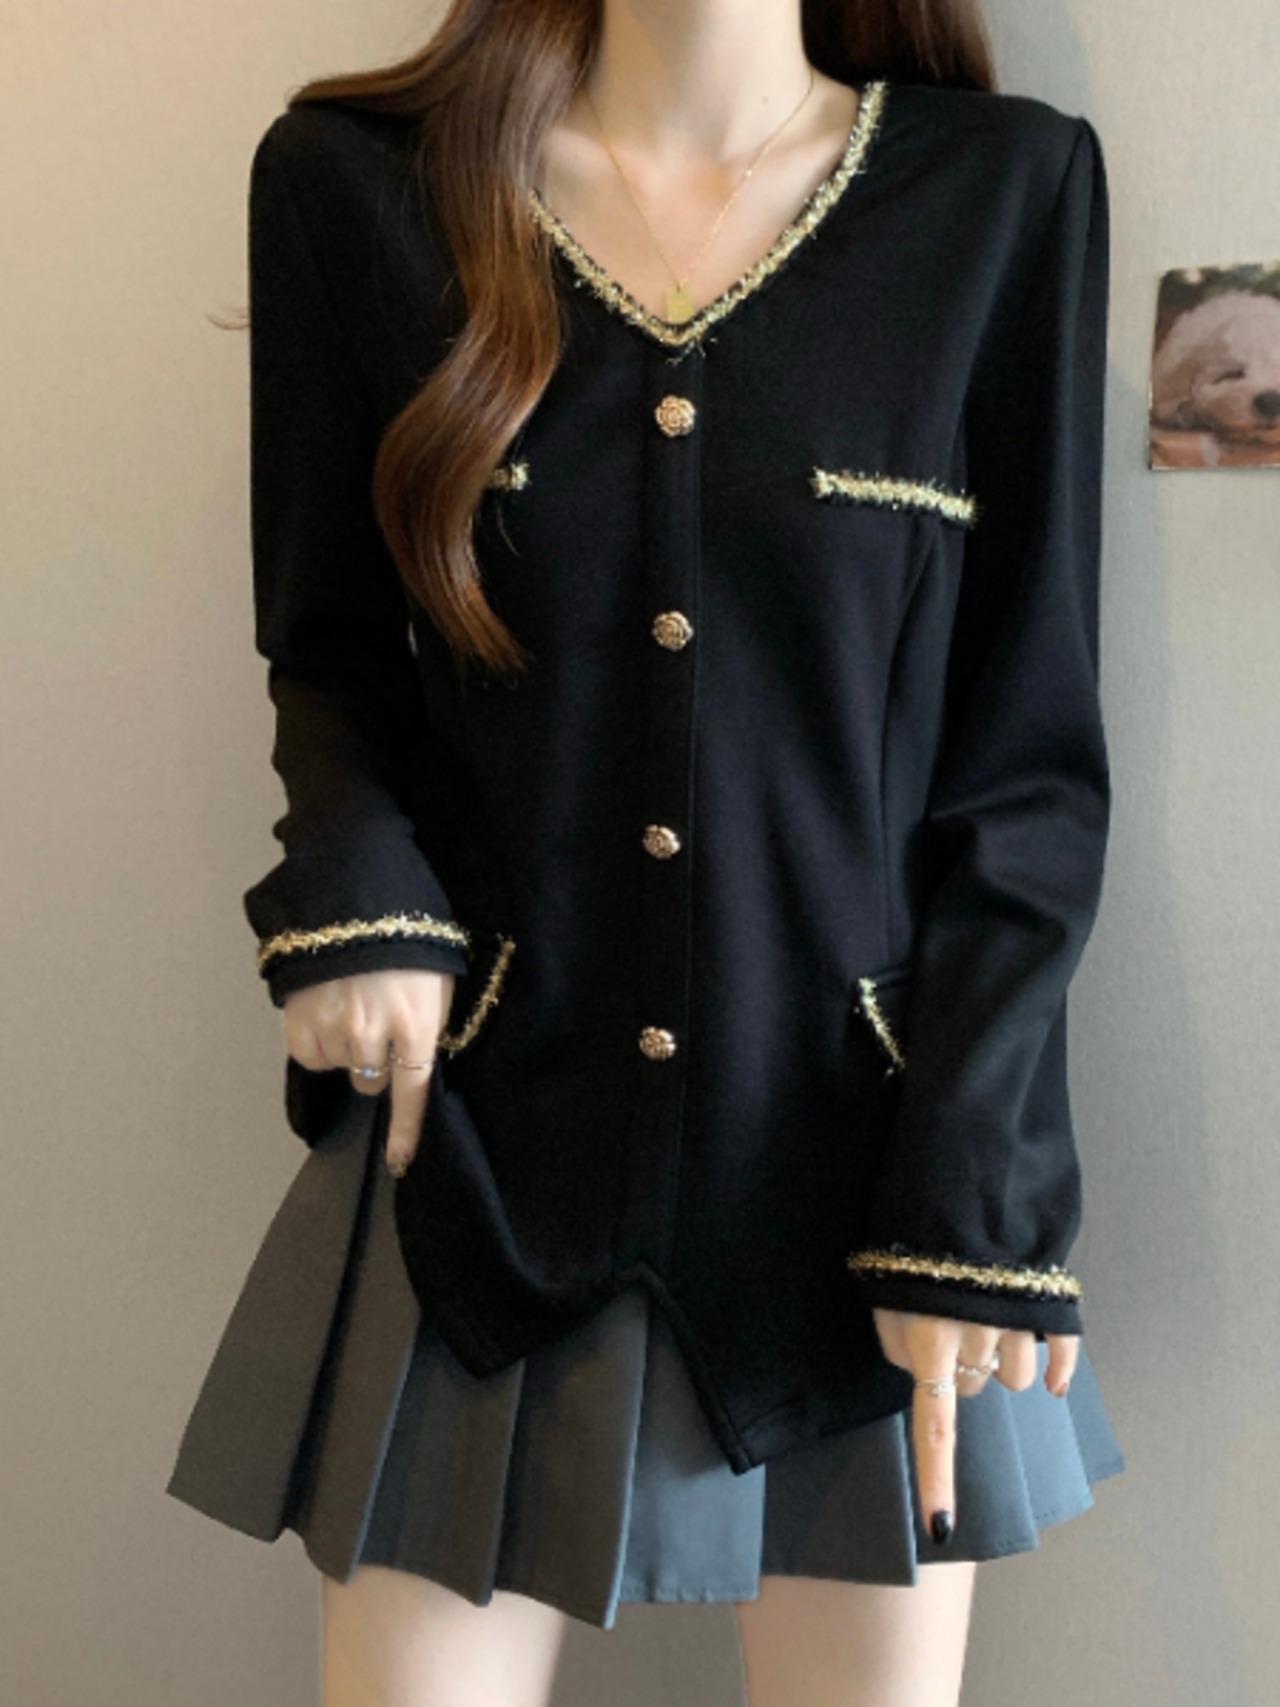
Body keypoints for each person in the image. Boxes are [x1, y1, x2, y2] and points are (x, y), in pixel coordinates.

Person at [166, 2, 1128, 1702]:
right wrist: (359, 896)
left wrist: (975, 1188)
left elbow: (1027, 758)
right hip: (480, 1157)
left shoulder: (1001, 196)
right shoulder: (357, 191)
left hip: (861, 1171)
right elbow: (328, 653)